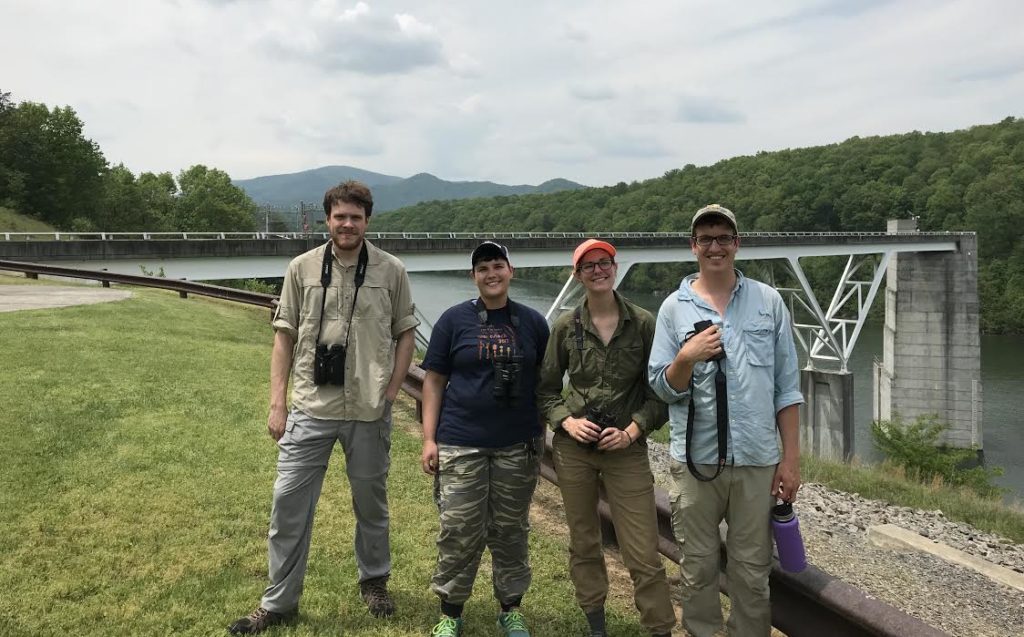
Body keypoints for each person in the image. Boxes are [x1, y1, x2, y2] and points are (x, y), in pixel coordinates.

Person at [229, 180, 419, 634]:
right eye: (340, 217)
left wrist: (391, 392)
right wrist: (277, 404)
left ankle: (374, 581)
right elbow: (284, 337)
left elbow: (406, 333)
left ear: (367, 220)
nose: (347, 224)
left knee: (371, 504)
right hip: (310, 407)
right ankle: (278, 602)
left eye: (355, 217)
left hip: (369, 409)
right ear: (327, 220)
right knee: (288, 505)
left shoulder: (392, 270)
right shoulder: (301, 268)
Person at [647, 204, 803, 637]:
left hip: (757, 460)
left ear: (737, 243)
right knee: (697, 568)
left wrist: (790, 461)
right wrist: (686, 356)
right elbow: (661, 386)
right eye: (706, 239)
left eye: (723, 238)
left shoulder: (768, 302)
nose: (715, 247)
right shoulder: (673, 309)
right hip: (695, 461)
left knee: (752, 571)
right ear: (693, 246)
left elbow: (787, 389)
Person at [537, 239, 677, 637]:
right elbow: (545, 390)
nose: (598, 270)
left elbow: (662, 391)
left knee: (642, 551)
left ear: (615, 268)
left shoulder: (644, 324)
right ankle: (596, 625)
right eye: (589, 266)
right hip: (574, 450)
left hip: (626, 449)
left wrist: (632, 430)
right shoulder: (566, 326)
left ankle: (660, 628)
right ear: (577, 275)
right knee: (584, 542)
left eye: (604, 263)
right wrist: (567, 422)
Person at [419, 241, 550, 637]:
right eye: (483, 268)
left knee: (511, 530)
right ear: (473, 276)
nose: (491, 274)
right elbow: (434, 382)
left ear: (511, 270)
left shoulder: (533, 323)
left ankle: (510, 609)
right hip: (461, 441)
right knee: (459, 529)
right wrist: (429, 439)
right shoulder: (453, 321)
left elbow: (545, 384)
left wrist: (541, 437)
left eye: (497, 265)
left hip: (518, 443)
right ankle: (450, 612)